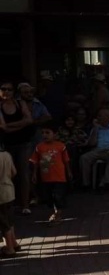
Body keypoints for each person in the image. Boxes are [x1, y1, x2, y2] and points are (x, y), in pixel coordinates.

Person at [0, 81, 34, 214]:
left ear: (14, 92)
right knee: (8, 174)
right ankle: (10, 204)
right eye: (3, 89)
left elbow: (29, 120)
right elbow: (3, 127)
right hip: (7, 144)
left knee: (24, 173)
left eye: (9, 89)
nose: (7, 92)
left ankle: (25, 205)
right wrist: (21, 124)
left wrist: (11, 126)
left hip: (23, 142)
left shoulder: (20, 104)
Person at [29, 125, 71, 224]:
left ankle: (58, 214)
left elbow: (66, 160)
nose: (45, 135)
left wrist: (69, 172)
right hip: (46, 177)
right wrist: (34, 174)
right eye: (43, 133)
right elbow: (35, 161)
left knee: (58, 196)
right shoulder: (39, 147)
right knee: (48, 196)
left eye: (47, 132)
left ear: (55, 134)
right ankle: (53, 212)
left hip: (59, 177)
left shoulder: (61, 146)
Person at [79, 108, 109, 191]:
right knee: (84, 158)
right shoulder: (96, 128)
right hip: (98, 150)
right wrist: (96, 129)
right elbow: (92, 143)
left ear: (107, 117)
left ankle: (105, 183)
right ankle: (86, 184)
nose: (98, 118)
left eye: (100, 116)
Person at [0, 140, 19, 257]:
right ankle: (14, 242)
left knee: (3, 222)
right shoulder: (7, 155)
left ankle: (10, 248)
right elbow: (14, 172)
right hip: (9, 190)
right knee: (10, 219)